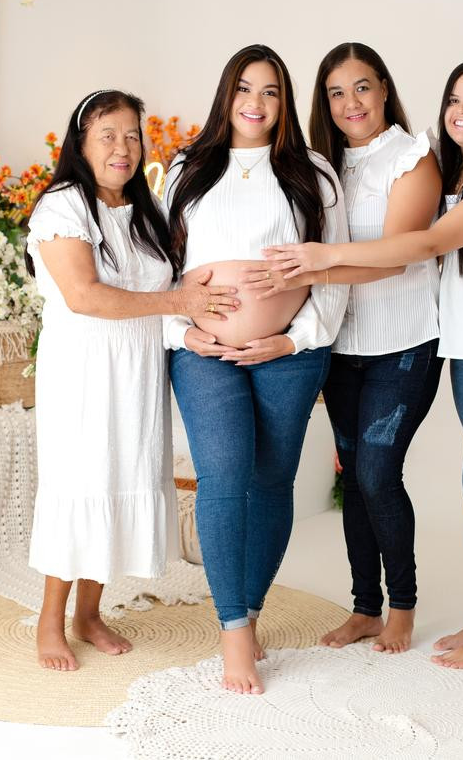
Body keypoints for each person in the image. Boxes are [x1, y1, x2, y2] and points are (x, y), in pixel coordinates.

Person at [264, 59, 463, 669]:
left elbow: (429, 244)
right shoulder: (457, 173)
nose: (462, 111)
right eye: (454, 99)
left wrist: (320, 260)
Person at [25, 89, 239, 672]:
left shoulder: (146, 210)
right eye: (107, 136)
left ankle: (89, 614)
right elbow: (85, 296)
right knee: (81, 486)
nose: (122, 148)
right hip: (84, 374)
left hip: (137, 374)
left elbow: (159, 303)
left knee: (118, 481)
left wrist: (191, 332)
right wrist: (181, 302)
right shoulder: (62, 207)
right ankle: (50, 620)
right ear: (81, 144)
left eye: (131, 136)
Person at [243, 42, 442, 653]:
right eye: (335, 92)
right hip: (340, 346)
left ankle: (402, 606)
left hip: (405, 344)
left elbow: (397, 256)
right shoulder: (320, 167)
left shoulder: (412, 159)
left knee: (379, 474)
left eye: (361, 87)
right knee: (353, 477)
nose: (350, 102)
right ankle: (365, 608)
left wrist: (312, 265)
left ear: (383, 90)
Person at [164, 44, 349, 693]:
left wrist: (292, 341)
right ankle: (233, 630)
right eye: (245, 87)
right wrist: (181, 329)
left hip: (288, 355)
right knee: (222, 474)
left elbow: (333, 271)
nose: (256, 101)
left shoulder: (313, 173)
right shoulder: (187, 168)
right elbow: (159, 264)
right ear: (226, 94)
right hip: (204, 353)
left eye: (271, 91)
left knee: (271, 481)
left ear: (285, 102)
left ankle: (251, 607)